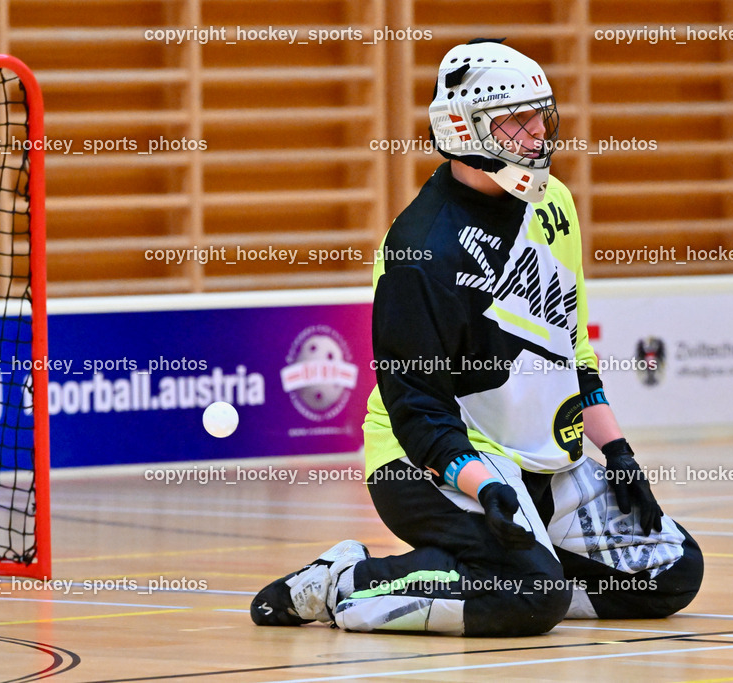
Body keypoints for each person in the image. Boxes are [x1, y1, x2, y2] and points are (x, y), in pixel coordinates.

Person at [251, 38, 702, 637]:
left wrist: (619, 455)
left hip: (543, 457)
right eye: (517, 121)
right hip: (431, 463)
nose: (539, 133)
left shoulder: (554, 202)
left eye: (543, 115)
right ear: (463, 129)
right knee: (531, 600)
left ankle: (508, 578)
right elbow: (417, 412)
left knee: (670, 572)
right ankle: (343, 582)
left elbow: (573, 347)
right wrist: (483, 481)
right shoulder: (421, 251)